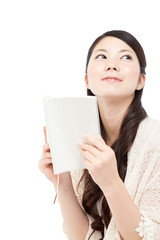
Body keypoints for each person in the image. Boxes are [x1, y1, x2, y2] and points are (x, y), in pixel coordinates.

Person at [38, 30, 160, 240]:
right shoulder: (81, 140)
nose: (112, 65)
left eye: (126, 57)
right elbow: (83, 237)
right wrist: (63, 183)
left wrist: (111, 181)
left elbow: (147, 236)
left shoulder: (156, 141)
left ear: (141, 80)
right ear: (86, 79)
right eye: (102, 56)